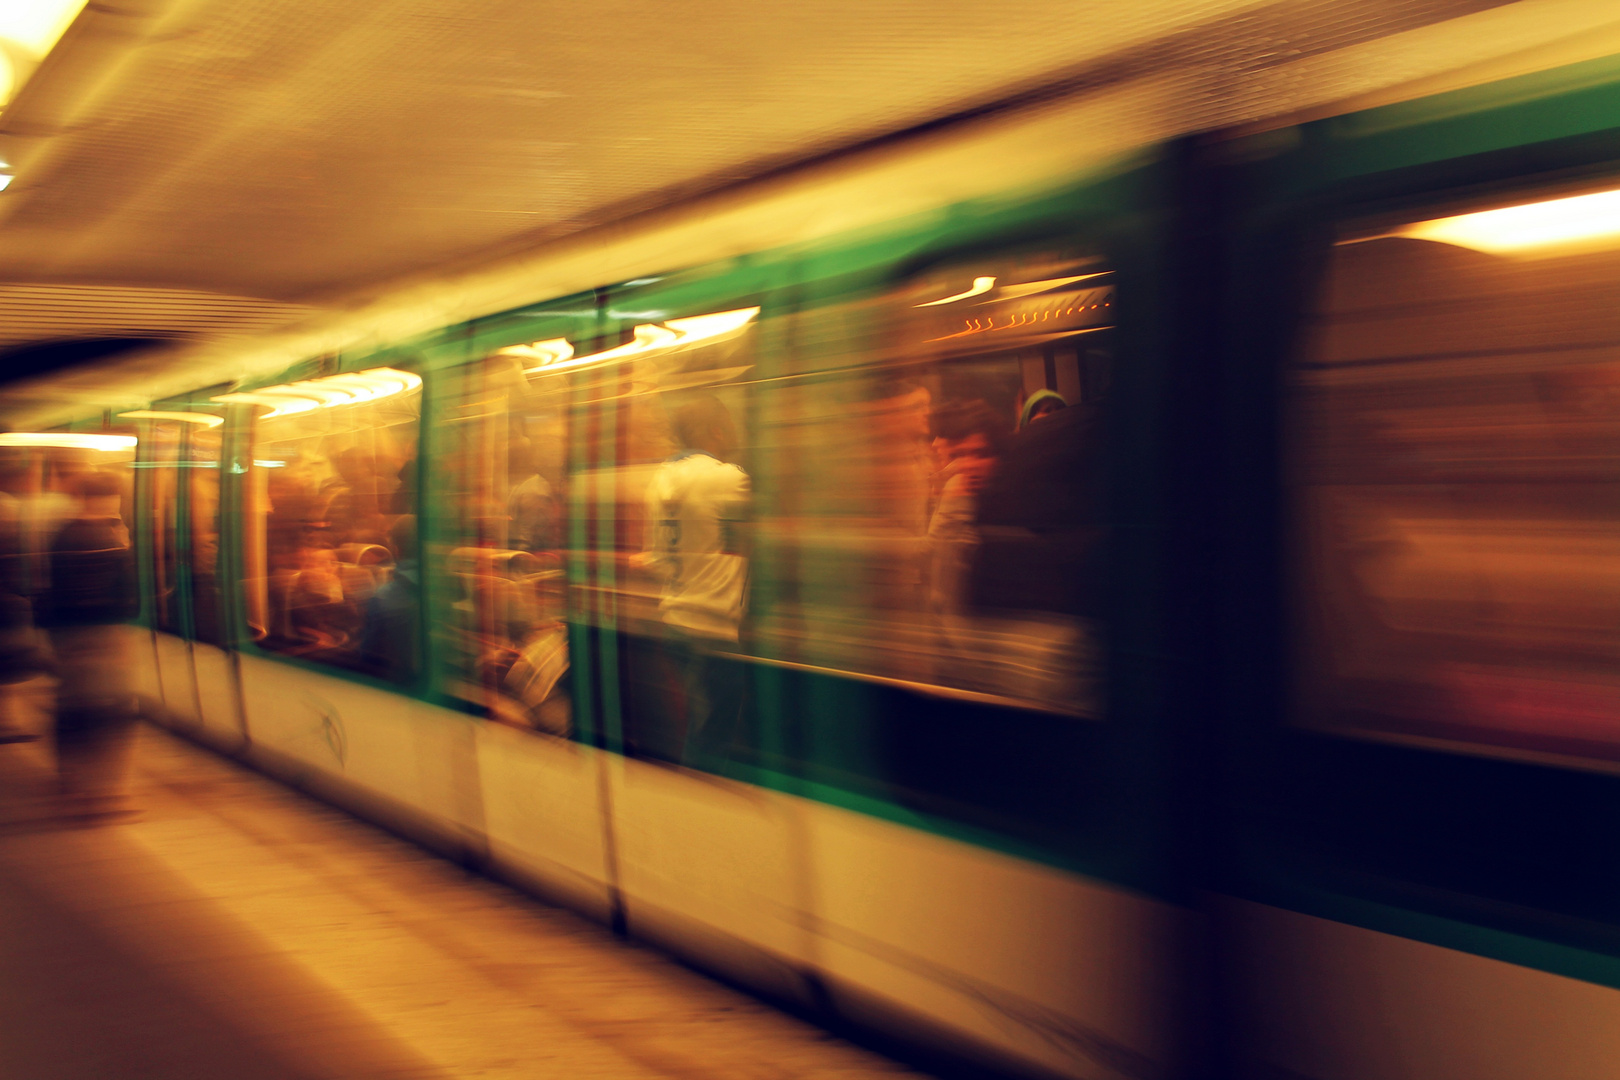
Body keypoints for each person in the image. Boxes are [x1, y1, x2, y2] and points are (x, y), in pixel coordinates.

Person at [637, 394, 749, 768]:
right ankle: (697, 801)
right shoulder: (725, 478)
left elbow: (656, 559)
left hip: (676, 625)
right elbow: (760, 537)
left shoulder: (659, 481)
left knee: (699, 725)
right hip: (714, 629)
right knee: (710, 739)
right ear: (717, 431)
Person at [35, 470, 139, 820]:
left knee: (73, 710)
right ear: (112, 498)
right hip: (105, 633)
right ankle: (110, 792)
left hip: (67, 635)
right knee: (116, 713)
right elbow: (128, 596)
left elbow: (50, 589)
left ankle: (72, 786)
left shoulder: (61, 534)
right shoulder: (112, 538)